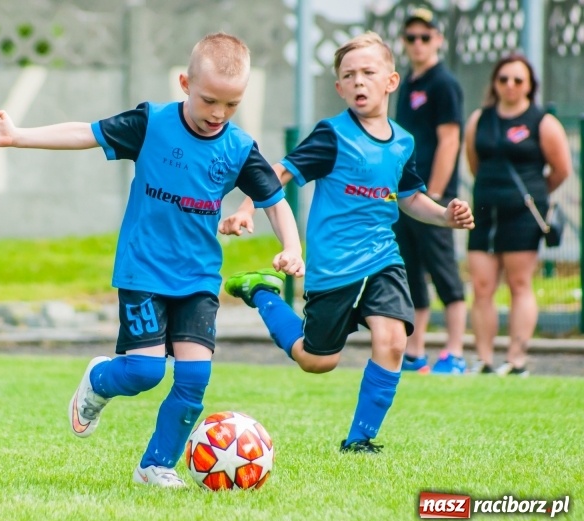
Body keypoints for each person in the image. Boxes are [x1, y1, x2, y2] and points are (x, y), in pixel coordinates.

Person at [0, 32, 305, 487]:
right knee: (144, 371)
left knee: (194, 379)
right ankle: (100, 380)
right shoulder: (152, 123)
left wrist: (292, 245)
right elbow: (83, 133)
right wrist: (18, 136)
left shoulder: (239, 147)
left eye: (231, 105)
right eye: (209, 101)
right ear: (185, 83)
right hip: (143, 270)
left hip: (200, 277)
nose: (218, 115)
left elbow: (274, 199)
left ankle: (155, 465)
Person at [222, 32, 474, 453]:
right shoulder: (332, 136)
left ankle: (360, 440)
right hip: (333, 266)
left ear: (391, 81)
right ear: (338, 88)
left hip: (382, 258)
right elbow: (279, 172)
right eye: (349, 76)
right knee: (317, 360)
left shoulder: (403, 142)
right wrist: (247, 206)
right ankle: (263, 293)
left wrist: (444, 215)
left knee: (393, 340)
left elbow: (410, 197)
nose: (359, 82)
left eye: (368, 73)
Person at [464, 53, 572, 377]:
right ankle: (483, 358)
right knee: (482, 286)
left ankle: (516, 358)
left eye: (518, 80)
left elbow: (561, 170)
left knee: (519, 283)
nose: (510, 86)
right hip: (484, 211)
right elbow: (474, 162)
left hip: (522, 215)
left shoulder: (542, 122)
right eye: (503, 79)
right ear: (495, 83)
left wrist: (533, 196)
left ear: (529, 86)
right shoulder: (479, 119)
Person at [394, 6, 468, 375]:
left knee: (444, 273)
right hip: (405, 196)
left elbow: (450, 139)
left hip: (430, 197)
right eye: (411, 37)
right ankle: (415, 351)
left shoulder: (444, 84)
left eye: (425, 36)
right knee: (409, 271)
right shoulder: (407, 82)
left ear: (438, 39)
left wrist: (436, 196)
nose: (418, 43)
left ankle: (454, 351)